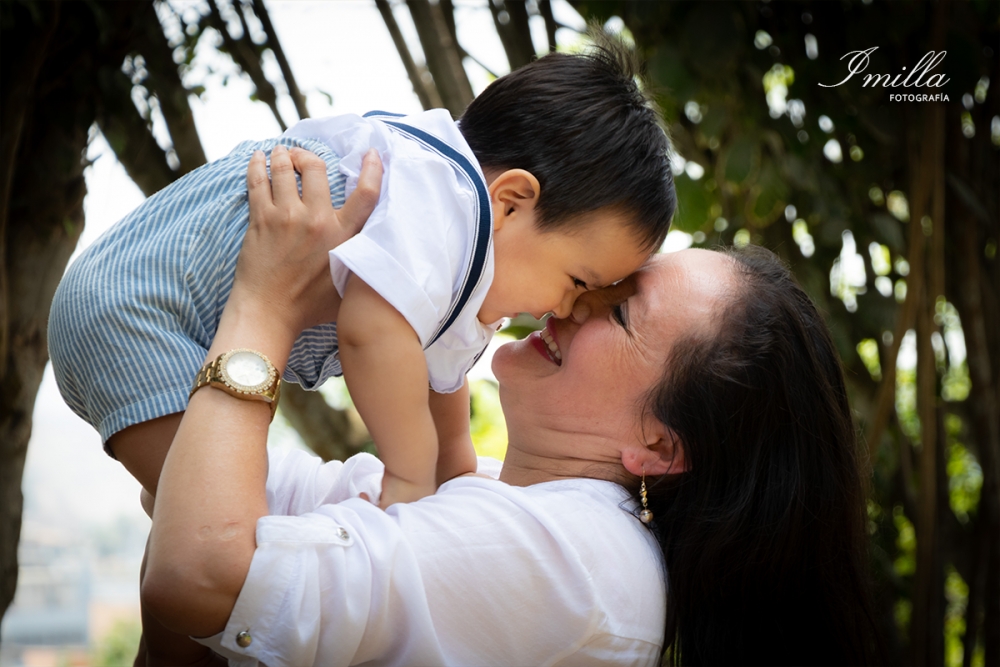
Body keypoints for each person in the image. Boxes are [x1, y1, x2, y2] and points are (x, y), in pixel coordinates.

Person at [141, 140, 884, 666]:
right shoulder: (500, 494)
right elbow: (196, 491)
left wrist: (263, 303)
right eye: (594, 282)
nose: (571, 304)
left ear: (659, 445)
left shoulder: (584, 563)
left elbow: (196, 570)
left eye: (617, 311)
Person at [47, 37, 674, 510]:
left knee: (201, 531)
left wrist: (453, 482)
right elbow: (374, 331)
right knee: (226, 536)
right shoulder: (441, 199)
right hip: (136, 314)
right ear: (509, 201)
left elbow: (441, 379)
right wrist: (407, 472)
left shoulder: (457, 230)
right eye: (579, 281)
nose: (569, 310)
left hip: (147, 312)